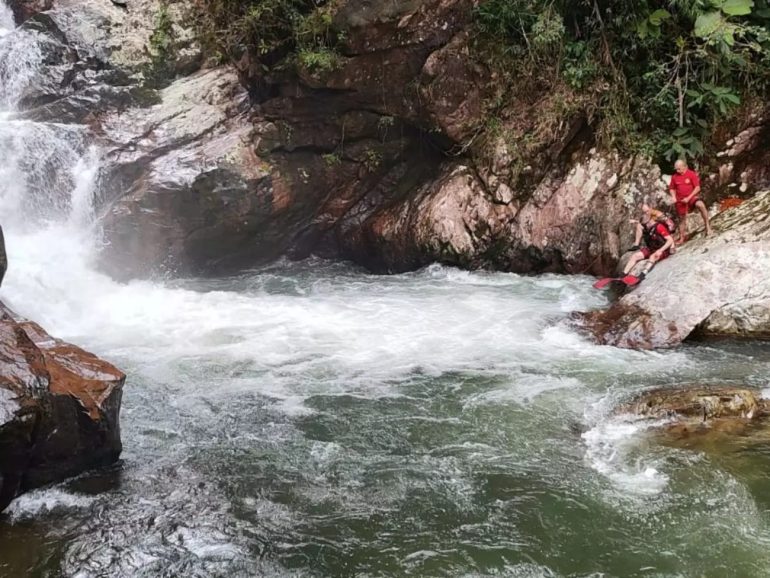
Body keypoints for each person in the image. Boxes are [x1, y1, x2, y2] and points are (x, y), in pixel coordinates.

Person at [622, 204, 675, 281]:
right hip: (652, 247)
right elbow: (642, 223)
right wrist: (635, 222)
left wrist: (662, 250)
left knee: (652, 256)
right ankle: (623, 274)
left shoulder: (659, 224)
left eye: (647, 211)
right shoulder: (647, 224)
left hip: (662, 248)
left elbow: (670, 239)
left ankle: (642, 274)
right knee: (635, 256)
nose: (644, 226)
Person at [669, 159, 712, 242]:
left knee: (701, 204)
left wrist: (688, 198)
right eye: (676, 169)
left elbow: (697, 188)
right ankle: (682, 238)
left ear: (684, 167)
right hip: (680, 200)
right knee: (682, 219)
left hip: (691, 197)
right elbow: (671, 188)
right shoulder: (674, 177)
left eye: (679, 169)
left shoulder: (691, 174)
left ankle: (708, 226)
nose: (677, 171)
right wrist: (673, 197)